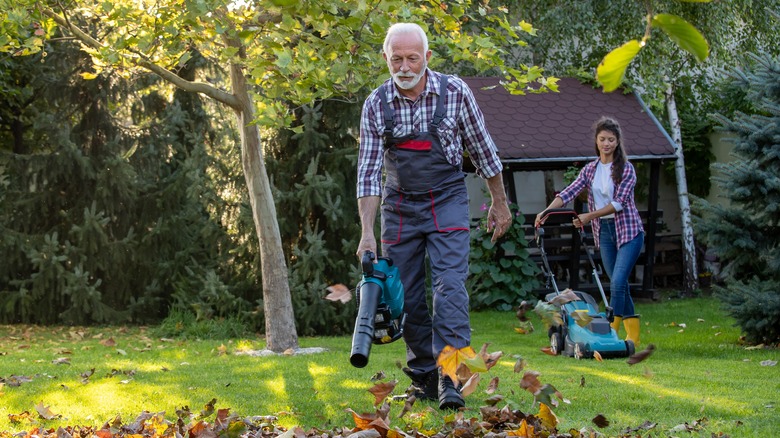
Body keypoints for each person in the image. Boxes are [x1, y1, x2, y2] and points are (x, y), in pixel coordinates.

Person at [356, 23, 511, 410]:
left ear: (427, 57)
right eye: (397, 59)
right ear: (386, 59)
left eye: (412, 58)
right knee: (404, 296)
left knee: (450, 287)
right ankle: (424, 376)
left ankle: (451, 376)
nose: (404, 66)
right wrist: (367, 233)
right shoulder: (376, 104)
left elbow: (483, 150)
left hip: (447, 199)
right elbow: (369, 173)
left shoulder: (455, 92)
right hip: (400, 206)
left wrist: (500, 202)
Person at [535, 116, 644, 346]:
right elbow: (567, 193)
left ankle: (610, 332)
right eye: (602, 139)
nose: (606, 144)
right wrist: (545, 212)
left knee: (616, 283)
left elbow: (618, 204)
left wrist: (588, 216)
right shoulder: (590, 170)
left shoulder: (626, 169)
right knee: (619, 284)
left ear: (617, 142)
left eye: (611, 140)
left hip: (628, 232)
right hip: (604, 232)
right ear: (596, 140)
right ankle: (632, 334)